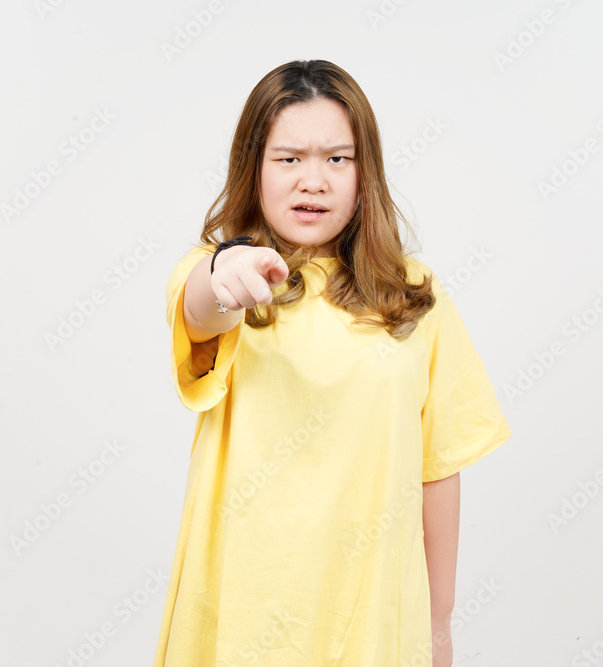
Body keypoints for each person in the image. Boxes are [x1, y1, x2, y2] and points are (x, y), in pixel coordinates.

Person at [154, 59, 511, 667]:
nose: (312, 181)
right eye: (288, 159)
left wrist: (440, 622)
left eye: (337, 159)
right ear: (254, 168)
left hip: (370, 612)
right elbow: (202, 309)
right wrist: (224, 275)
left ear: (363, 171)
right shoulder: (216, 273)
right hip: (245, 609)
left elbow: (439, 466)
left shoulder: (415, 294)